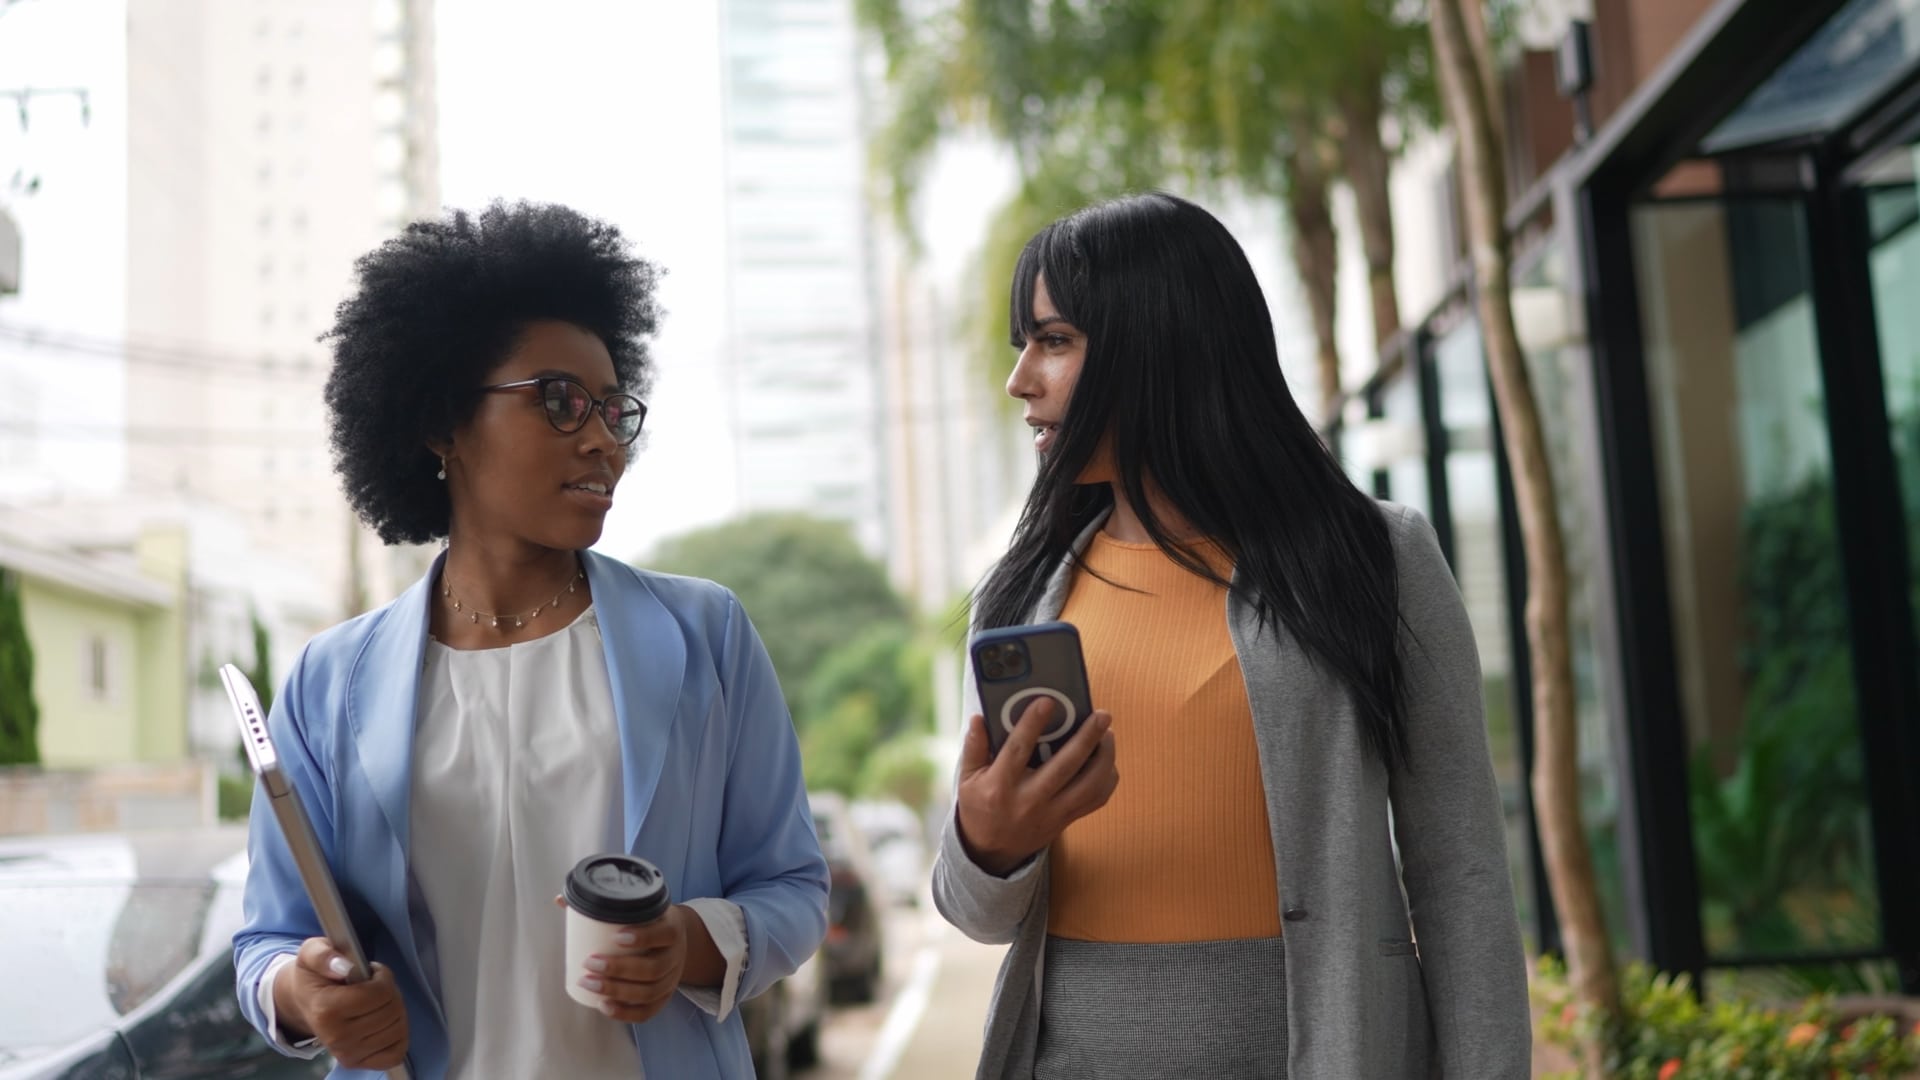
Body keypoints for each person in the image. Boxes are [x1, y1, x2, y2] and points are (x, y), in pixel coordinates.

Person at [935, 192, 1531, 1079]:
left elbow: (1461, 873)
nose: (1021, 379)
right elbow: (975, 914)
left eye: (1053, 341)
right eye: (1024, 344)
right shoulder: (1017, 600)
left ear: (1160, 345)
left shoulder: (1377, 558)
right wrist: (987, 842)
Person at [232, 201, 829, 1079]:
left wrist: (689, 943)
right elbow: (267, 941)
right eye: (559, 402)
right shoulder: (329, 682)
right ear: (442, 422)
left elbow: (793, 886)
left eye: (612, 410)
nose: (603, 441)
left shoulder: (706, 634)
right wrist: (303, 992)